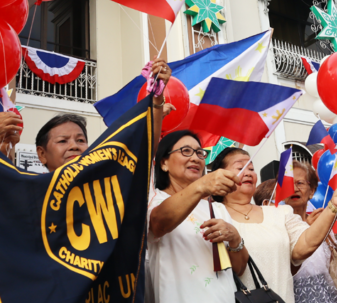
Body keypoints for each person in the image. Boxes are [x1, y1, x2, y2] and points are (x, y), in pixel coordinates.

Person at [210, 147, 337, 303]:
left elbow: (305, 244)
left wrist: (333, 206)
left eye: (251, 168)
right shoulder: (212, 213)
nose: (248, 173)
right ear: (220, 175)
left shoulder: (279, 213)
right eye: (240, 168)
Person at [147, 130, 248, 303]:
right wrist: (202, 185)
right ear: (164, 163)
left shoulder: (217, 208)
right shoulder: (155, 199)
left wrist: (235, 239)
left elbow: (238, 269)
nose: (195, 158)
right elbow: (158, 223)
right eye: (186, 151)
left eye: (200, 153)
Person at [36, 59, 171, 172]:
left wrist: (156, 98)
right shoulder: (32, 195)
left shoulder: (104, 185)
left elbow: (144, 153)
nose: (74, 147)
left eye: (81, 140)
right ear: (42, 154)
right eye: (62, 141)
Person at [284, 160, 337, 303]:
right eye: (288, 183)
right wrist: (305, 227)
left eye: (300, 183)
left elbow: (333, 265)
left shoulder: (322, 223)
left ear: (312, 192)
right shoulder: (275, 226)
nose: (294, 188)